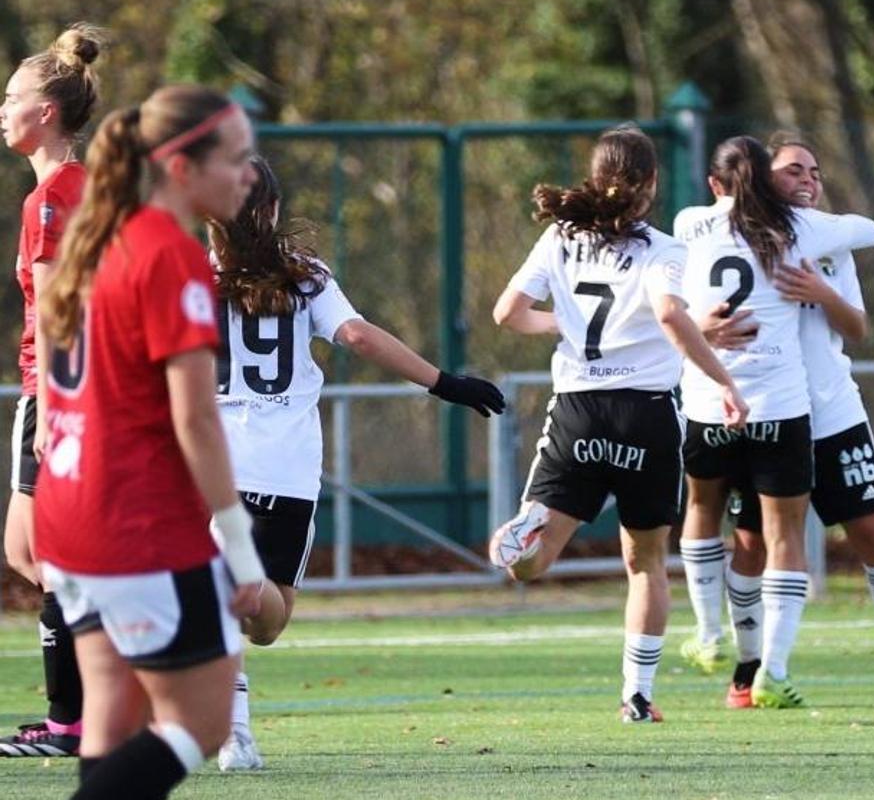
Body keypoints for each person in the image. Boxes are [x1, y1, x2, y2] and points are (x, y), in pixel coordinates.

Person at [208, 155, 505, 770]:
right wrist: (444, 382)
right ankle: (233, 727)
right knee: (265, 618)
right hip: (285, 471)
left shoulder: (186, 276)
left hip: (212, 467)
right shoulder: (306, 275)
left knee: (260, 618)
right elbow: (359, 336)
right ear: (272, 211)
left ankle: (225, 591)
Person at [35, 84, 266, 799]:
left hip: (68, 512)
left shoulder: (98, 236)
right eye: (238, 159)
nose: (250, 175)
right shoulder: (170, 252)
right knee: (202, 722)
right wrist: (240, 546)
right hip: (134, 526)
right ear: (180, 168)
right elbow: (194, 419)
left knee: (114, 710)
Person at [489, 125, 748, 723]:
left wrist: (565, 324)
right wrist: (724, 383)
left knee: (534, 564)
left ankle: (524, 533)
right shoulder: (664, 250)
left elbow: (508, 314)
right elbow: (669, 316)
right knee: (646, 563)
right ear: (651, 183)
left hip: (578, 411)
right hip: (645, 417)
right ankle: (637, 695)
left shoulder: (559, 237)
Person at [718, 133, 874, 710]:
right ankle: (749, 668)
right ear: (764, 179)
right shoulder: (730, 240)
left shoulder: (826, 243)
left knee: (873, 537)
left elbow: (858, 329)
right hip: (766, 416)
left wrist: (822, 292)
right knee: (750, 547)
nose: (809, 180)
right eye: (795, 170)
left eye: (816, 171)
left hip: (832, 415)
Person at [673, 135, 874, 709]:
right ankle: (774, 670)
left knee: (701, 512)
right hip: (780, 407)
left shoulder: (691, 223)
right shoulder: (801, 229)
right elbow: (871, 230)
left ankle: (710, 635)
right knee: (783, 536)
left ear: (715, 184)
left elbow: (670, 308)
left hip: (708, 402)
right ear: (766, 181)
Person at [0, 23, 105, 758]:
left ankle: (78, 718)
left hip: (56, 392)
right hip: (76, 390)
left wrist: (55, 405)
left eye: (11, 98)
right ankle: (81, 712)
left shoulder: (50, 202)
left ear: (46, 113)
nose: (1, 109)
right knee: (42, 556)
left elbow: (65, 310)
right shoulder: (79, 188)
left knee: (36, 552)